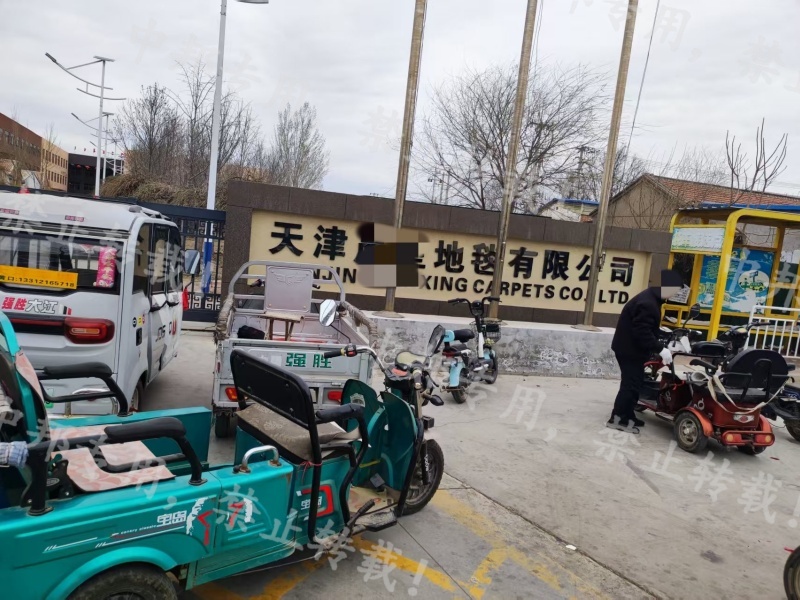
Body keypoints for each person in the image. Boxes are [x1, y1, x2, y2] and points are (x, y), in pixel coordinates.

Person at [608, 269, 684, 433]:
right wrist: (660, 349)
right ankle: (618, 419)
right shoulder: (648, 303)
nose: (674, 295)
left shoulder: (652, 298)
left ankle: (628, 415)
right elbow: (641, 332)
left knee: (636, 383)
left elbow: (647, 327)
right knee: (630, 385)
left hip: (631, 349)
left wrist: (660, 337)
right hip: (628, 350)